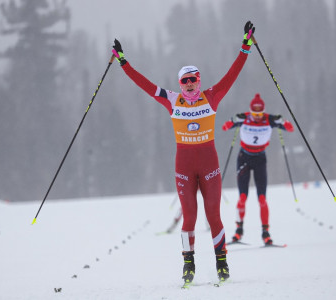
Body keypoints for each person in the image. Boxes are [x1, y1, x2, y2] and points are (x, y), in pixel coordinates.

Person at [111, 21, 256, 285]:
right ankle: (188, 265)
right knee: (189, 215)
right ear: (180, 83)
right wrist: (123, 62)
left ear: (199, 81)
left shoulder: (212, 96)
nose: (189, 84)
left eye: (193, 80)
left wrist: (245, 46)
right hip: (184, 166)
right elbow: (144, 84)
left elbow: (232, 74)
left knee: (213, 214)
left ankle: (221, 262)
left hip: (209, 163)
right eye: (185, 81)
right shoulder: (171, 99)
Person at [222, 93, 294, 246]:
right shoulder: (244, 118)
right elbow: (224, 127)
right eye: (254, 113)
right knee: (242, 197)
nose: (257, 116)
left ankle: (265, 233)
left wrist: (284, 121)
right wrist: (232, 121)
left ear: (263, 111)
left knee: (262, 198)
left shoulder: (269, 119)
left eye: (259, 113)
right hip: (244, 158)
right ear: (250, 111)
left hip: (260, 159)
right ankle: (238, 231)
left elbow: (290, 129)